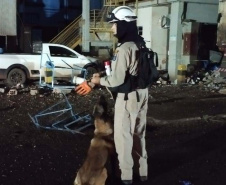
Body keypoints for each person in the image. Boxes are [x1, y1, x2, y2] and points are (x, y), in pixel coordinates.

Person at [91, 6, 148, 185]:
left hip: (128, 97)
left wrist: (99, 80)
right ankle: (143, 172)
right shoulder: (140, 43)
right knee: (138, 134)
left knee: (123, 138)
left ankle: (126, 177)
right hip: (142, 94)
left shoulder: (124, 49)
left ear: (123, 24)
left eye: (114, 24)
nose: (112, 28)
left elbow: (116, 79)